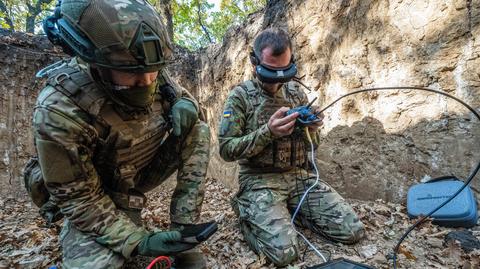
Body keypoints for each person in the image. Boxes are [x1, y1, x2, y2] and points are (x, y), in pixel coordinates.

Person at [22, 0, 210, 268]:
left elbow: (173, 90)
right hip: (89, 197)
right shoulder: (60, 107)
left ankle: (183, 235)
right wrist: (138, 241)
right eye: (133, 76)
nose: (146, 82)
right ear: (96, 63)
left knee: (198, 129)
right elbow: (79, 200)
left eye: (152, 74)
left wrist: (186, 102)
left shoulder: (143, 64)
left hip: (131, 175)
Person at [218, 28, 365, 267]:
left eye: (284, 72)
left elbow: (311, 145)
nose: (278, 79)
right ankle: (247, 213)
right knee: (284, 254)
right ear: (254, 63)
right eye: (270, 71)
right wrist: (268, 132)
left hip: (299, 178)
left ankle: (293, 213)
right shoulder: (240, 97)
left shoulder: (297, 93)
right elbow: (226, 150)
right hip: (259, 181)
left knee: (352, 230)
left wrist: (314, 129)